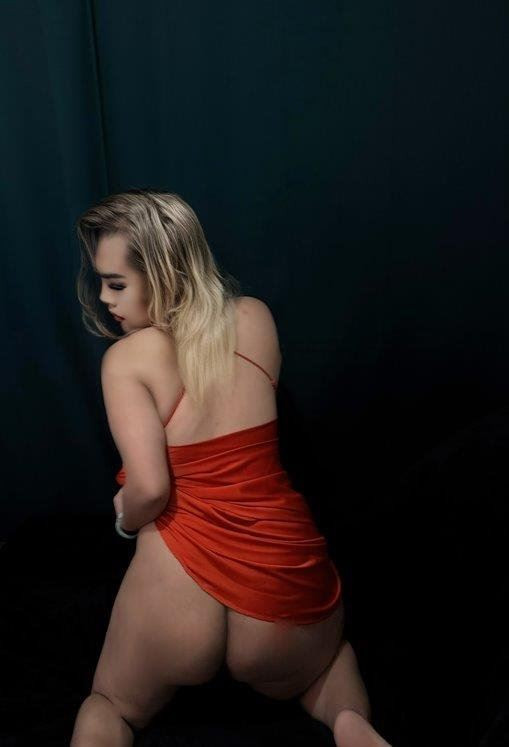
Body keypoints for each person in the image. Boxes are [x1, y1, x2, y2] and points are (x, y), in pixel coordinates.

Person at [70, 189, 392, 746]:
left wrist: (126, 517)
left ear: (164, 272)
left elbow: (150, 488)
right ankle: (349, 723)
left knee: (110, 707)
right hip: (279, 574)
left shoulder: (126, 360)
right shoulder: (255, 318)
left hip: (177, 588)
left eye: (116, 284)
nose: (104, 299)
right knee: (327, 669)